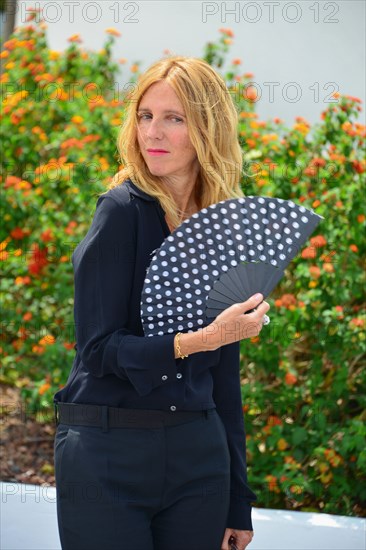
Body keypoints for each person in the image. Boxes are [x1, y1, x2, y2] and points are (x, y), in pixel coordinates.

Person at [53, 55, 270, 550]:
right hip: (108, 452)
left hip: (199, 457)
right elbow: (99, 350)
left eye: (175, 118)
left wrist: (239, 498)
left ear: (208, 130)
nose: (154, 132)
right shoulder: (120, 212)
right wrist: (204, 339)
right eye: (146, 116)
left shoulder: (223, 228)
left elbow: (224, 379)